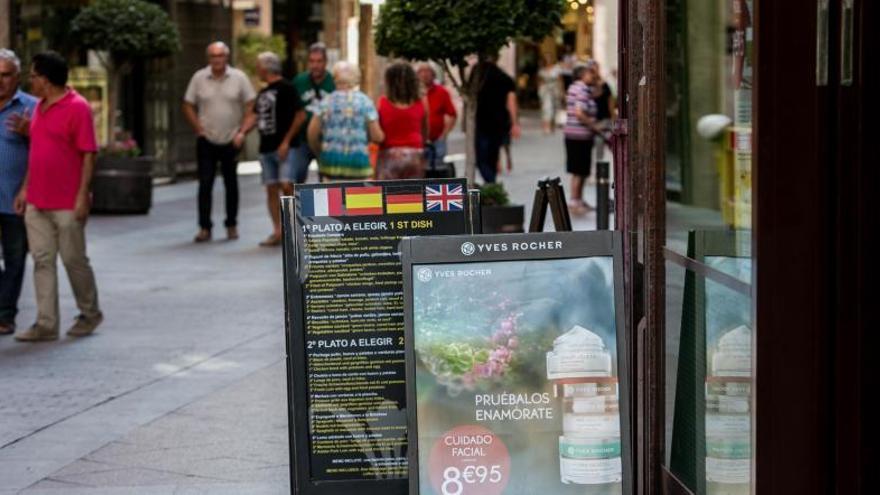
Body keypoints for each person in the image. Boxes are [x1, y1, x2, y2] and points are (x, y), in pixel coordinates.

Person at [11, 51, 102, 341]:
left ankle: (90, 314)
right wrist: (25, 189)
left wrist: (82, 196)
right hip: (37, 200)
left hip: (67, 202)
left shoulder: (78, 107)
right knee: (42, 261)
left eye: (34, 75)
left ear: (46, 80)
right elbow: (38, 152)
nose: (31, 80)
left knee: (74, 260)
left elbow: (88, 154)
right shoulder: (39, 107)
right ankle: (46, 324)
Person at [183, 41, 256, 243]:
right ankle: (204, 227)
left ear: (227, 57)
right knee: (205, 184)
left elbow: (251, 105)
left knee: (231, 184)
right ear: (209, 59)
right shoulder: (199, 78)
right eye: (213, 56)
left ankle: (231, 224)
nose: (217, 60)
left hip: (231, 139)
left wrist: (242, 132)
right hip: (207, 139)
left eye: (220, 56)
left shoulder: (239, 78)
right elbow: (187, 104)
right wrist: (198, 128)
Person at [241, 52, 306, 247]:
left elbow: (300, 115)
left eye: (259, 66)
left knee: (287, 186)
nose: (257, 70)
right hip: (266, 148)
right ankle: (278, 231)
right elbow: (253, 116)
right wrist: (241, 133)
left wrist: (286, 141)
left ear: (266, 68)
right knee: (270, 187)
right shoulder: (262, 92)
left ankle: (293, 229)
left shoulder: (287, 88)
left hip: (286, 147)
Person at [0, 49, 36, 336]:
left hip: (16, 197)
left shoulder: (32, 108)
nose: (0, 81)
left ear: (17, 77)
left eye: (5, 75)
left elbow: (48, 152)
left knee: (14, 258)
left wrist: (31, 133)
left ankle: (5, 314)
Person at [307, 62, 384, 181]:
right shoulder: (365, 102)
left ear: (335, 78)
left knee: (333, 199)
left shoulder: (326, 102)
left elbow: (312, 134)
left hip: (330, 165)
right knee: (358, 198)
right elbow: (377, 136)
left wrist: (320, 151)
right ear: (356, 78)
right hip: (359, 165)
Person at [292, 43, 335, 181]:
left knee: (327, 183)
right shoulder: (299, 81)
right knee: (295, 179)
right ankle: (296, 203)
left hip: (326, 141)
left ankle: (325, 204)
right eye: (311, 61)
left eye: (319, 61)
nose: (315, 65)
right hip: (302, 140)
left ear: (325, 62)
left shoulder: (334, 82)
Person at [376, 63, 426, 180]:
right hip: (415, 153)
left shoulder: (382, 102)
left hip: (389, 154)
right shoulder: (422, 102)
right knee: (413, 192)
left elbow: (378, 132)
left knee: (387, 193)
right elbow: (425, 131)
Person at [474, 58, 519, 184]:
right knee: (492, 155)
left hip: (481, 122)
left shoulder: (476, 77)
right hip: (499, 122)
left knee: (482, 157)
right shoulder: (504, 77)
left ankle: (490, 182)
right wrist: (514, 123)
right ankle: (491, 182)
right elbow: (511, 102)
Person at [563, 64, 600, 214]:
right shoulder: (582, 89)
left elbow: (599, 92)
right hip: (580, 135)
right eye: (589, 73)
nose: (592, 75)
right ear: (582, 75)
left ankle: (578, 199)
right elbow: (579, 112)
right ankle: (574, 200)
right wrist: (593, 125)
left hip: (573, 134)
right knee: (580, 170)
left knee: (579, 169)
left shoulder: (574, 87)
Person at [417, 62, 457, 174]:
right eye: (421, 71)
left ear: (433, 74)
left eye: (427, 71)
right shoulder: (413, 93)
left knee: (438, 170)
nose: (424, 74)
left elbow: (452, 114)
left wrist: (444, 133)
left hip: (437, 140)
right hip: (418, 140)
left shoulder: (441, 92)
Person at [588, 60, 616, 164]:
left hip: (605, 120)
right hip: (594, 123)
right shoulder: (587, 86)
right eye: (591, 70)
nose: (593, 72)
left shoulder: (605, 85)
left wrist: (613, 119)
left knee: (613, 146)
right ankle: (599, 176)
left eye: (595, 69)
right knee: (598, 150)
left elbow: (611, 103)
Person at [537, 57, 563, 134]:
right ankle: (546, 127)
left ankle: (552, 126)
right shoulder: (542, 70)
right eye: (546, 59)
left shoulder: (557, 69)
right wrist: (539, 91)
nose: (548, 60)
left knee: (555, 107)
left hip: (555, 89)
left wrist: (562, 92)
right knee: (547, 108)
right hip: (545, 90)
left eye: (549, 59)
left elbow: (560, 80)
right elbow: (539, 81)